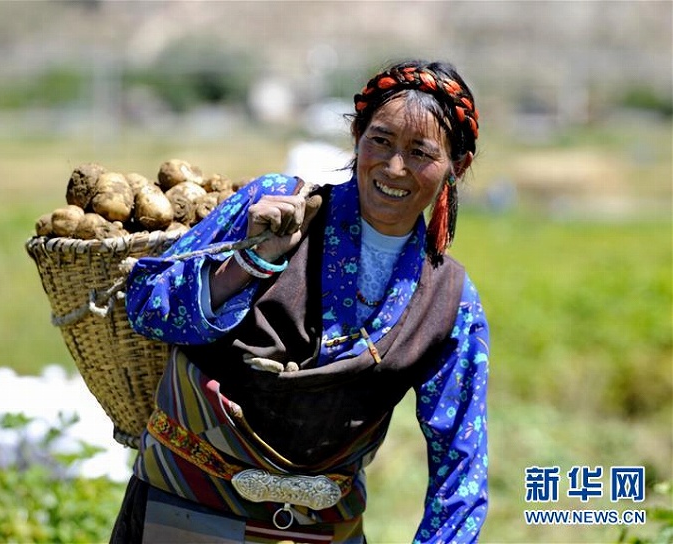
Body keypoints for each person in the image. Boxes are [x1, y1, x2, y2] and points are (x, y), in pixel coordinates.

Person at [112, 59, 489, 543]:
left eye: (420, 152)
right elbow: (145, 306)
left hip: (324, 530)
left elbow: (461, 463)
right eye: (380, 140)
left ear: (458, 165)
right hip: (186, 513)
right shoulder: (274, 206)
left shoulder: (450, 300)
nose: (394, 168)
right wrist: (251, 263)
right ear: (356, 136)